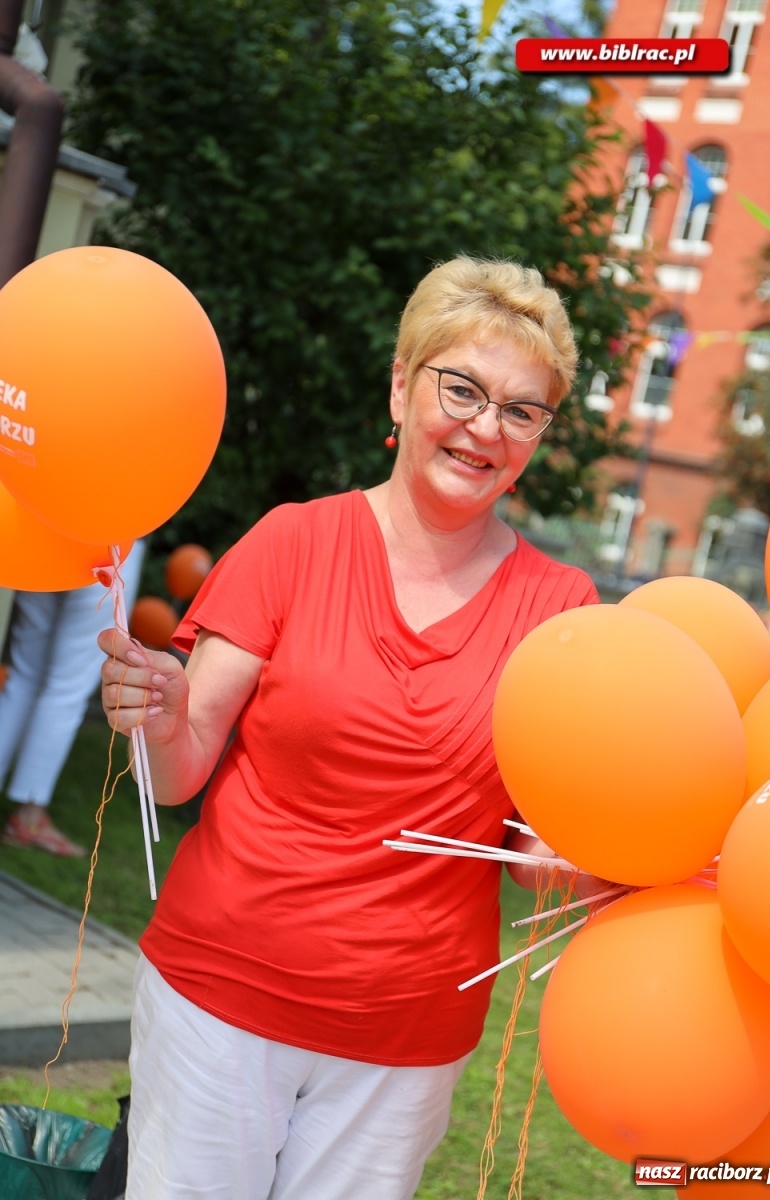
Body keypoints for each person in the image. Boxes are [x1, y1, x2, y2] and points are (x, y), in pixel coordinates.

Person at [97, 256, 600, 1200]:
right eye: (462, 390)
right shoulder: (293, 541)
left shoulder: (562, 607)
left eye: (521, 410)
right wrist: (160, 717)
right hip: (220, 1001)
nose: (486, 428)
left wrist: (602, 856)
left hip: (406, 1041)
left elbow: (529, 846)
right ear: (402, 387)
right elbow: (180, 768)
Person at [0, 539, 146, 856]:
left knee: (24, 673)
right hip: (110, 541)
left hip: (43, 532)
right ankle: (28, 817)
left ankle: (28, 813)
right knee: (67, 687)